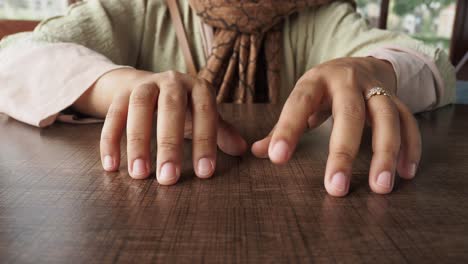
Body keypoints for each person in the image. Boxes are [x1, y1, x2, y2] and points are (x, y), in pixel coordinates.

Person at [0, 0, 456, 197]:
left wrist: (375, 72)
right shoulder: (139, 10)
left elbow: (431, 62)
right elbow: (14, 56)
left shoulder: (318, 16)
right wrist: (119, 86)